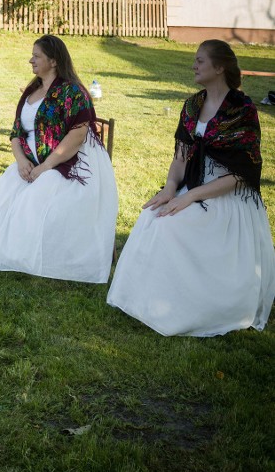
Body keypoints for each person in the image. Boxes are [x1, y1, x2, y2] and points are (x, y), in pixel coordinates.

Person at [107, 40, 275, 336]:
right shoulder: (192, 105)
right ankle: (151, 302)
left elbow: (243, 174)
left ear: (219, 67)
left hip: (225, 196)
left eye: (200, 61)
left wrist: (191, 197)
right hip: (193, 187)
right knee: (152, 217)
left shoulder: (242, 111)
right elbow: (181, 157)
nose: (193, 66)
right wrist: (171, 188)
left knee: (173, 227)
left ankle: (195, 307)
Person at [0, 35, 118, 283]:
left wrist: (45, 167)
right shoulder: (31, 90)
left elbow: (78, 134)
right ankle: (17, 253)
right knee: (9, 185)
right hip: (31, 161)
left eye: (36, 55)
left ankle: (45, 257)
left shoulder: (72, 92)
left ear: (53, 60)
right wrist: (21, 161)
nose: (31, 60)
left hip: (67, 163)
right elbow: (16, 132)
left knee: (41, 192)